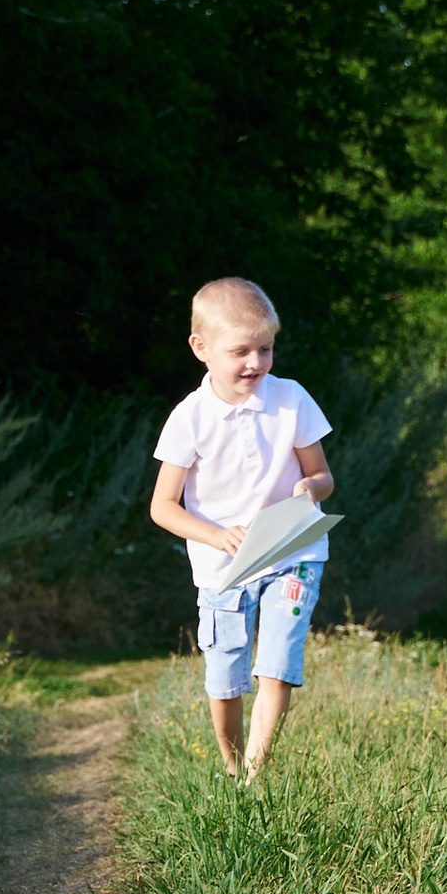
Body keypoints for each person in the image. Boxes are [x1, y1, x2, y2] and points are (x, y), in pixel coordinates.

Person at [150, 276, 335, 780]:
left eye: (266, 348)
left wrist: (309, 490)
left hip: (293, 551)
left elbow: (323, 475)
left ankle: (257, 775)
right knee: (226, 676)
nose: (256, 362)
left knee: (277, 662)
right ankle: (231, 770)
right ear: (201, 348)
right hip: (221, 567)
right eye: (241, 351)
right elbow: (163, 507)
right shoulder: (190, 418)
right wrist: (215, 535)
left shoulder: (292, 399)